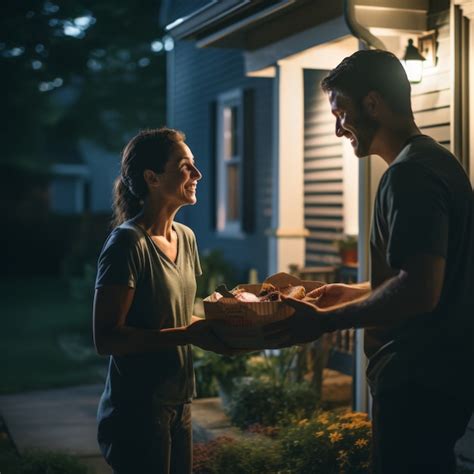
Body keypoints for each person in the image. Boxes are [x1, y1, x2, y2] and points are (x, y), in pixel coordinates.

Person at [264, 50, 474, 473]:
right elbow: (426, 274)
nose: (339, 128)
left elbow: (419, 291)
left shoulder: (408, 175)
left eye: (341, 112)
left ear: (373, 104)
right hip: (443, 378)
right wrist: (352, 294)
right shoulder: (437, 161)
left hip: (418, 380)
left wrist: (325, 322)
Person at [93, 127, 228, 474]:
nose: (197, 174)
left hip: (179, 401)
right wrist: (188, 335)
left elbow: (178, 318)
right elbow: (106, 338)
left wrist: (232, 331)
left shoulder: (186, 237)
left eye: (194, 165)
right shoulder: (127, 245)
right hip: (138, 409)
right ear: (152, 178)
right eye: (185, 166)